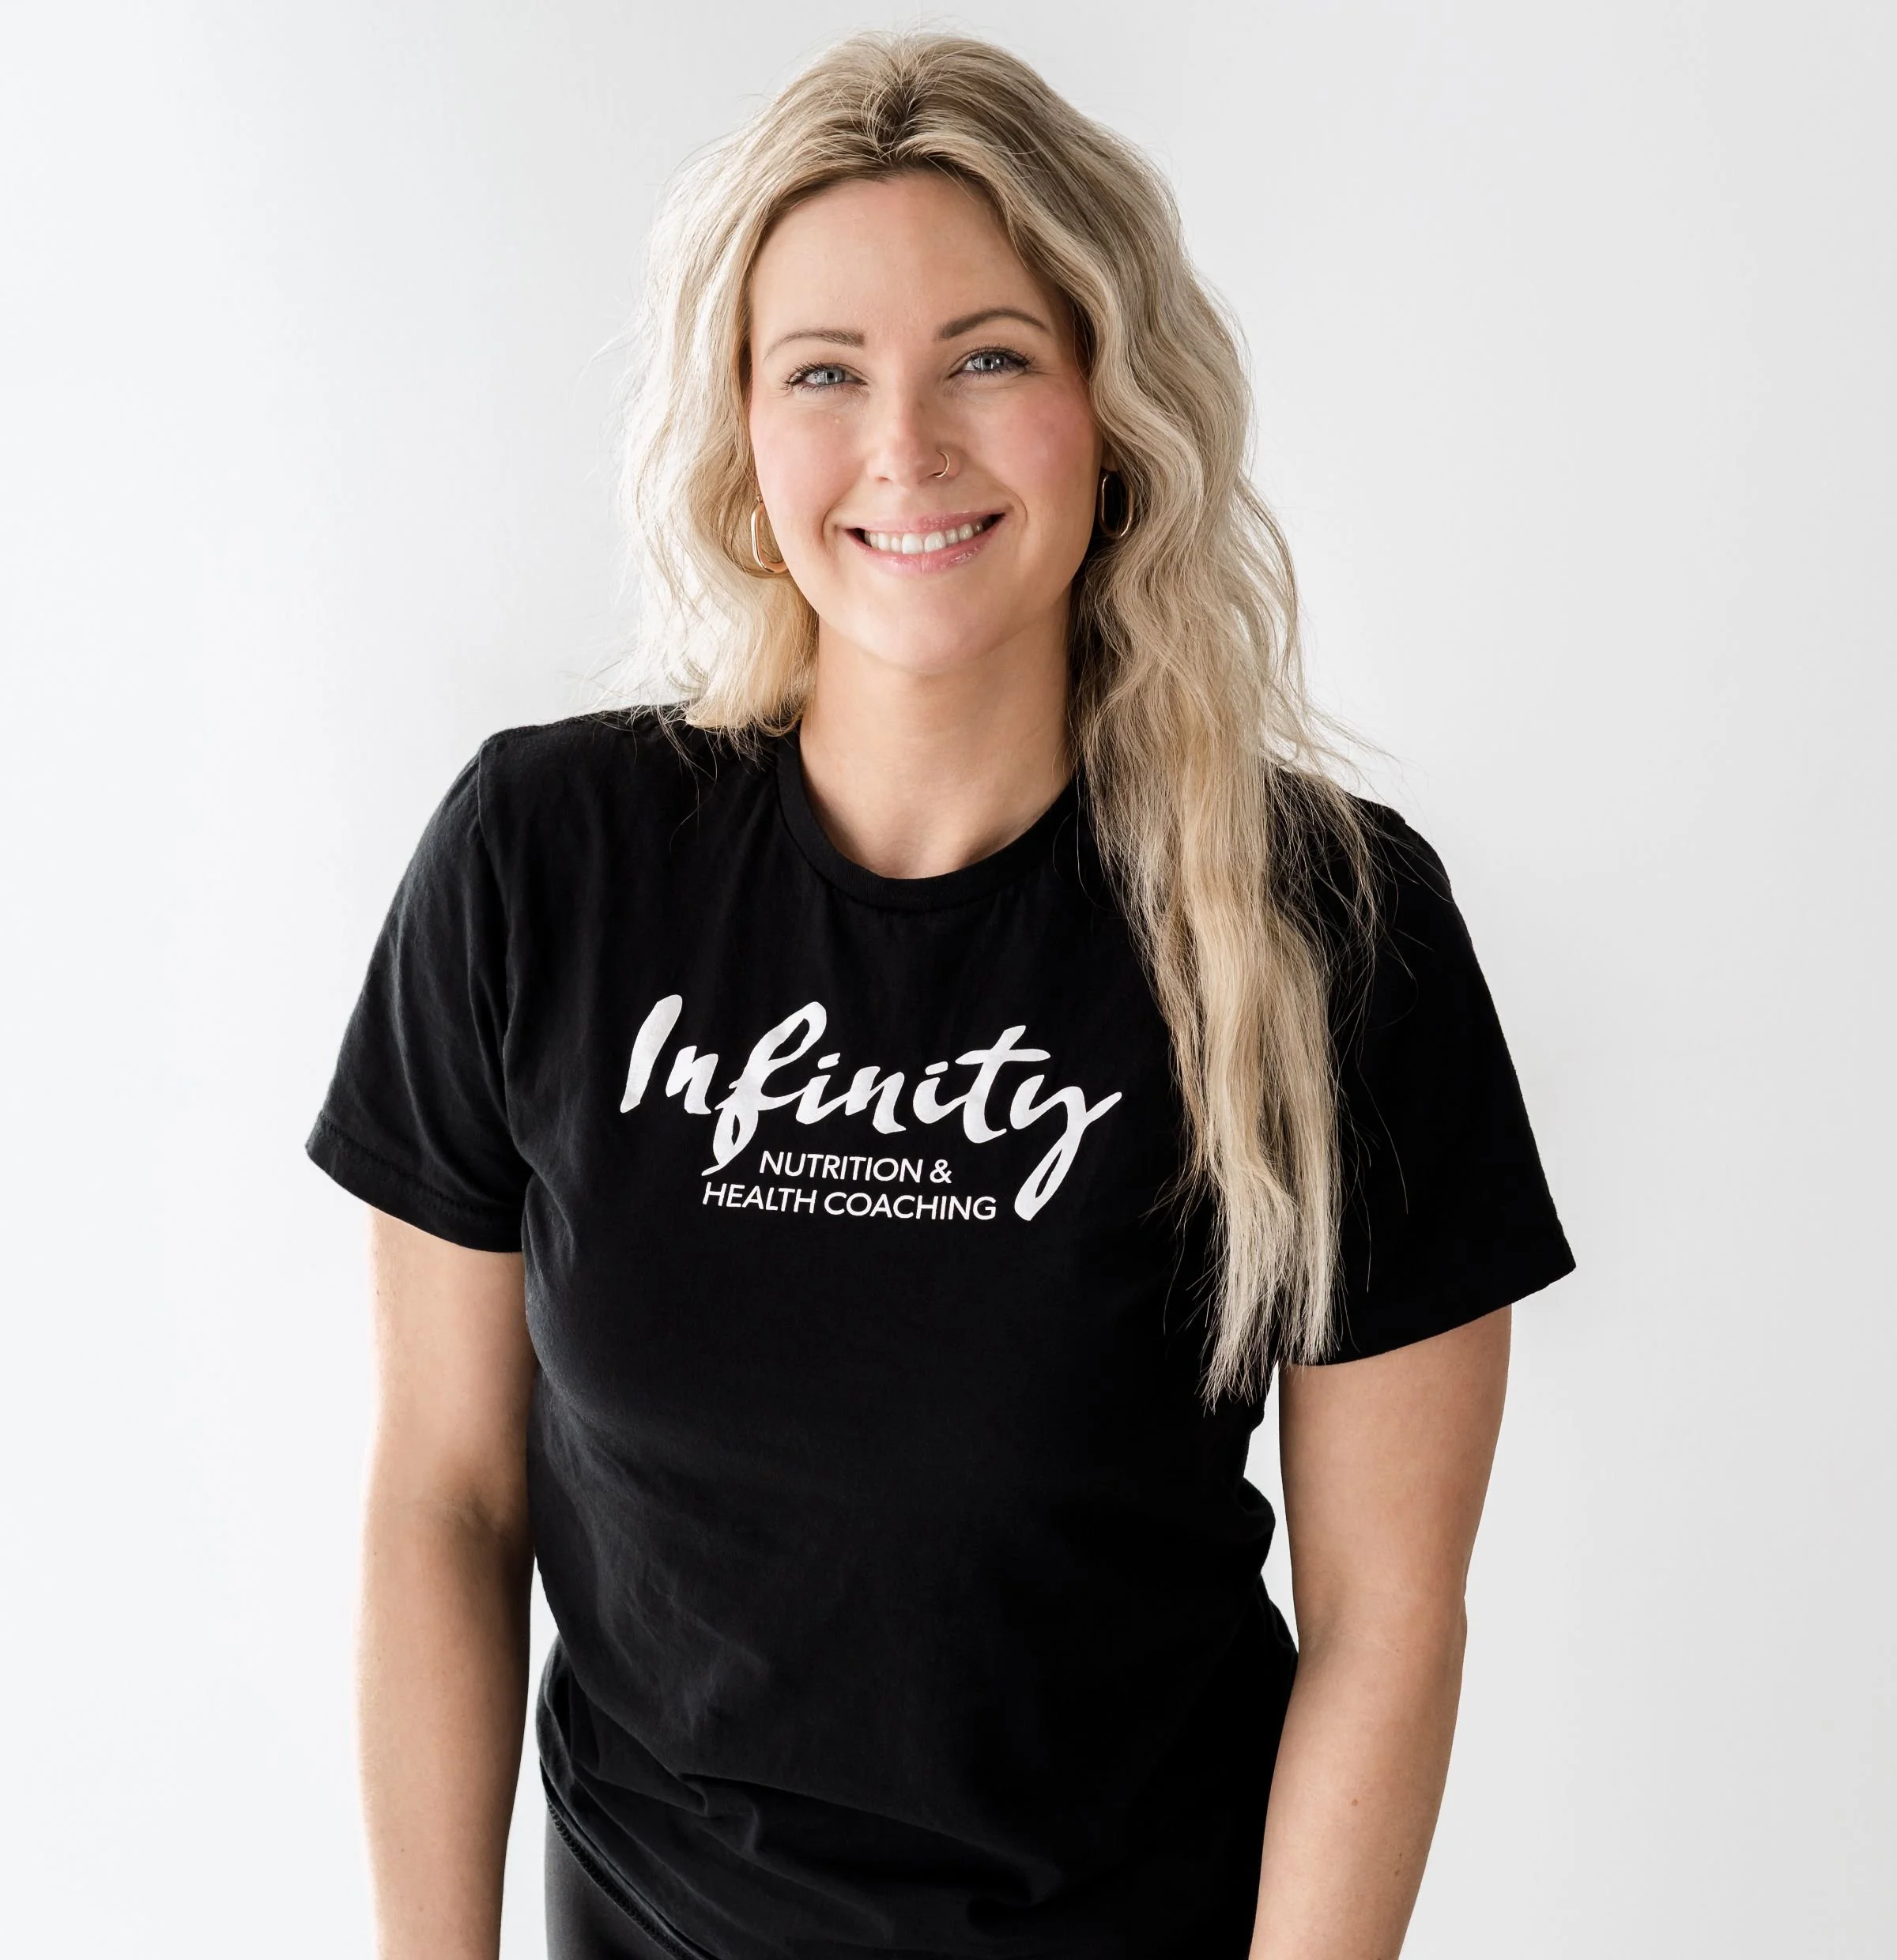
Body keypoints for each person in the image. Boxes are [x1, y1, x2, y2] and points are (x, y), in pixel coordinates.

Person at [307, 29, 1575, 1960]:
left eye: (991, 355)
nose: (906, 448)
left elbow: (1389, 1624)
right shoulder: (543, 861)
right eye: (826, 373)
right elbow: (447, 1504)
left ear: (1114, 402)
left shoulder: (1326, 924)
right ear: (742, 429)